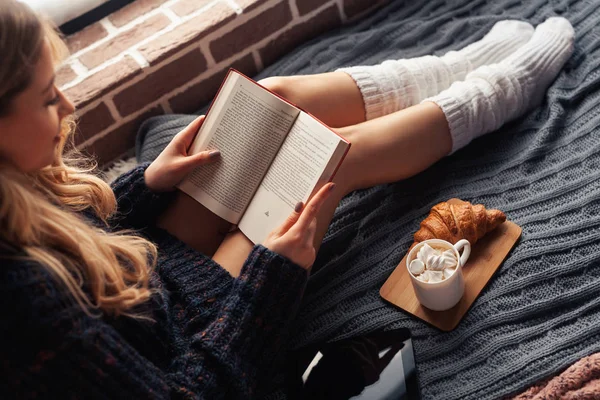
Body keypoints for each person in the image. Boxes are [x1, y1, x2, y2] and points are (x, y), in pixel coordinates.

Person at [0, 0, 574, 397]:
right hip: (187, 330)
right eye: (49, 98)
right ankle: (495, 94)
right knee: (328, 162)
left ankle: (456, 67)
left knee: (265, 107)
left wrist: (149, 183)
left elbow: (71, 239)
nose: (69, 110)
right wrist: (271, 279)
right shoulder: (24, 309)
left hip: (136, 279)